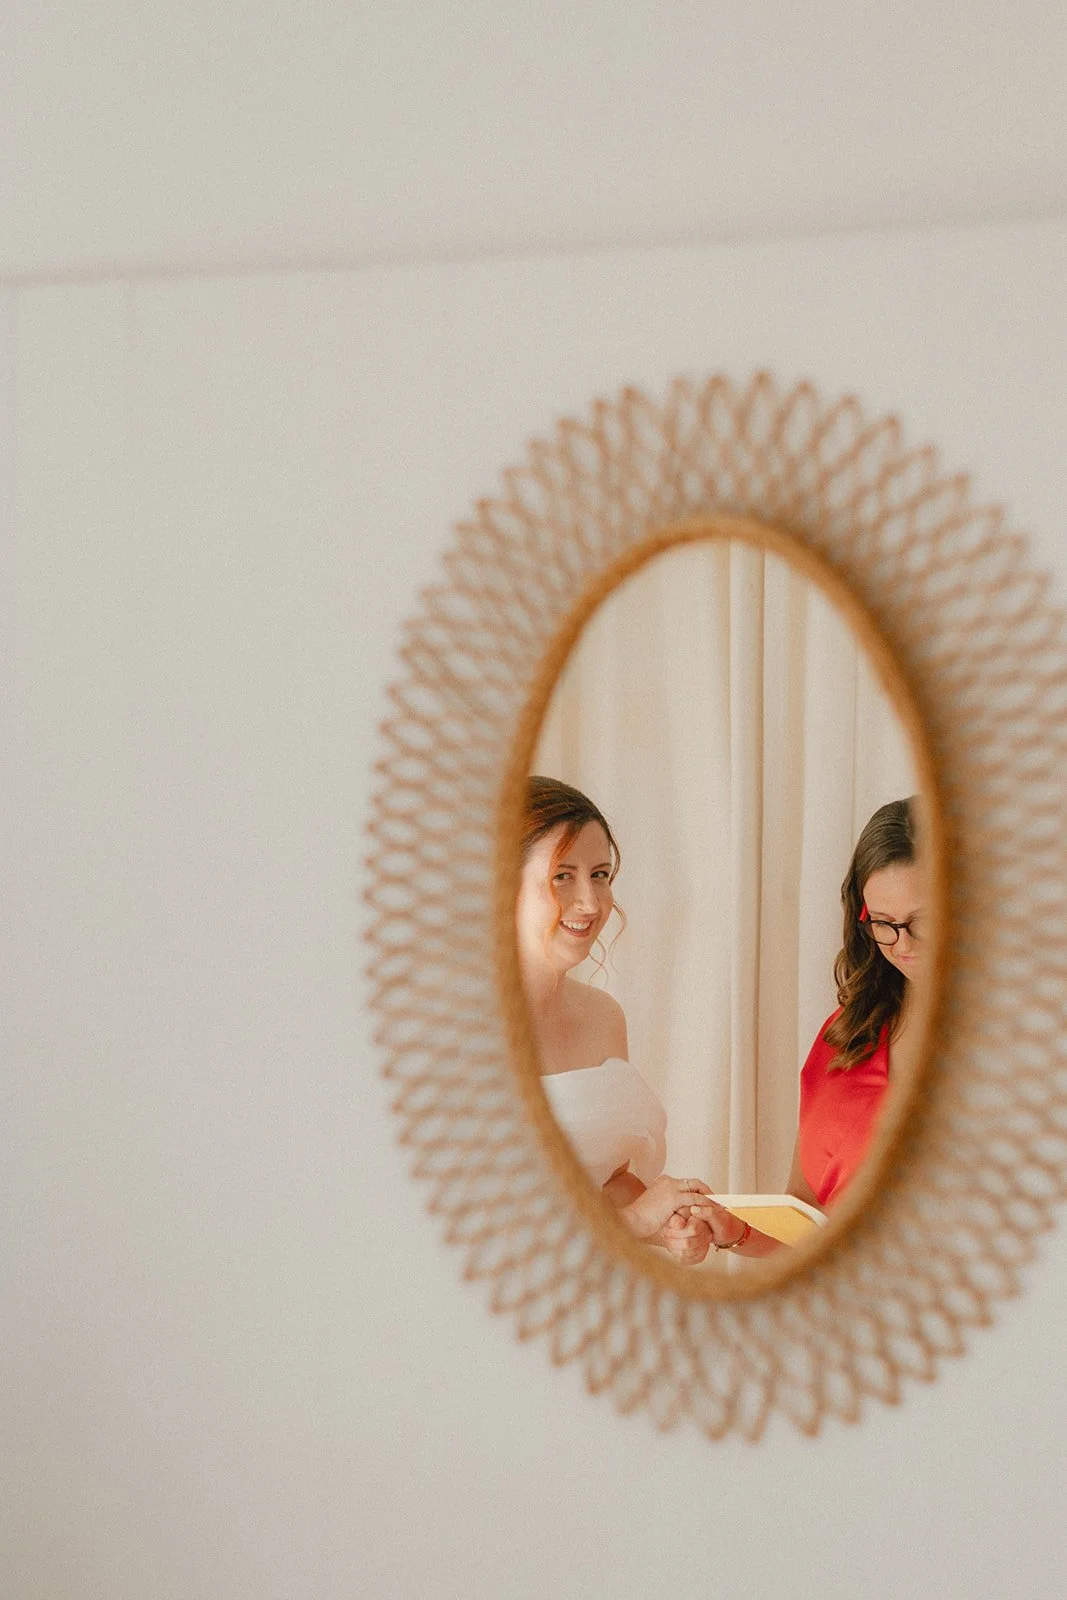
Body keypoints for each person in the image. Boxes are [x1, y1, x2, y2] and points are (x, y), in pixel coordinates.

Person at [517, 775, 749, 1263]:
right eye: (562, 876)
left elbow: (608, 1182)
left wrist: (668, 1224)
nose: (590, 903)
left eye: (600, 874)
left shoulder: (603, 1017)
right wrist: (639, 1220)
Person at [784, 795, 927, 1210]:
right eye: (883, 923)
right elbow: (800, 1211)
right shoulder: (847, 1033)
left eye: (924, 921)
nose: (904, 945)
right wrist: (733, 1231)